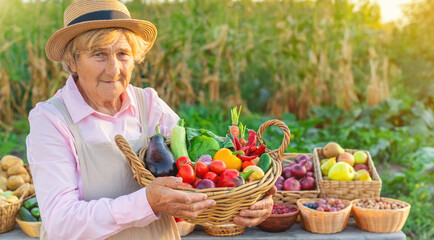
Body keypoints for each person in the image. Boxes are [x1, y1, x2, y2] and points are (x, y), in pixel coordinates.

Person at [26, 0, 275, 239]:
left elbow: (201, 172)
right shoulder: (51, 120)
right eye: (99, 54)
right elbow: (60, 223)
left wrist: (254, 195)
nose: (114, 70)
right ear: (73, 61)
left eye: (123, 53)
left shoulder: (149, 104)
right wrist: (147, 202)